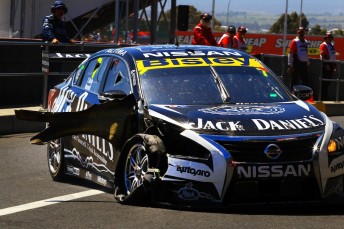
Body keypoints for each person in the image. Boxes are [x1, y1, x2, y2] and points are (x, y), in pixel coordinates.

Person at [319, 32, 336, 100]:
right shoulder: (323, 45)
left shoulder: (331, 45)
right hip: (326, 64)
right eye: (328, 38)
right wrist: (325, 64)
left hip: (331, 64)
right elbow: (322, 55)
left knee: (328, 82)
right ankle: (323, 97)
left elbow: (333, 55)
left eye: (331, 38)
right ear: (325, 38)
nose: (330, 39)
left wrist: (334, 65)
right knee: (325, 82)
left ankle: (326, 96)